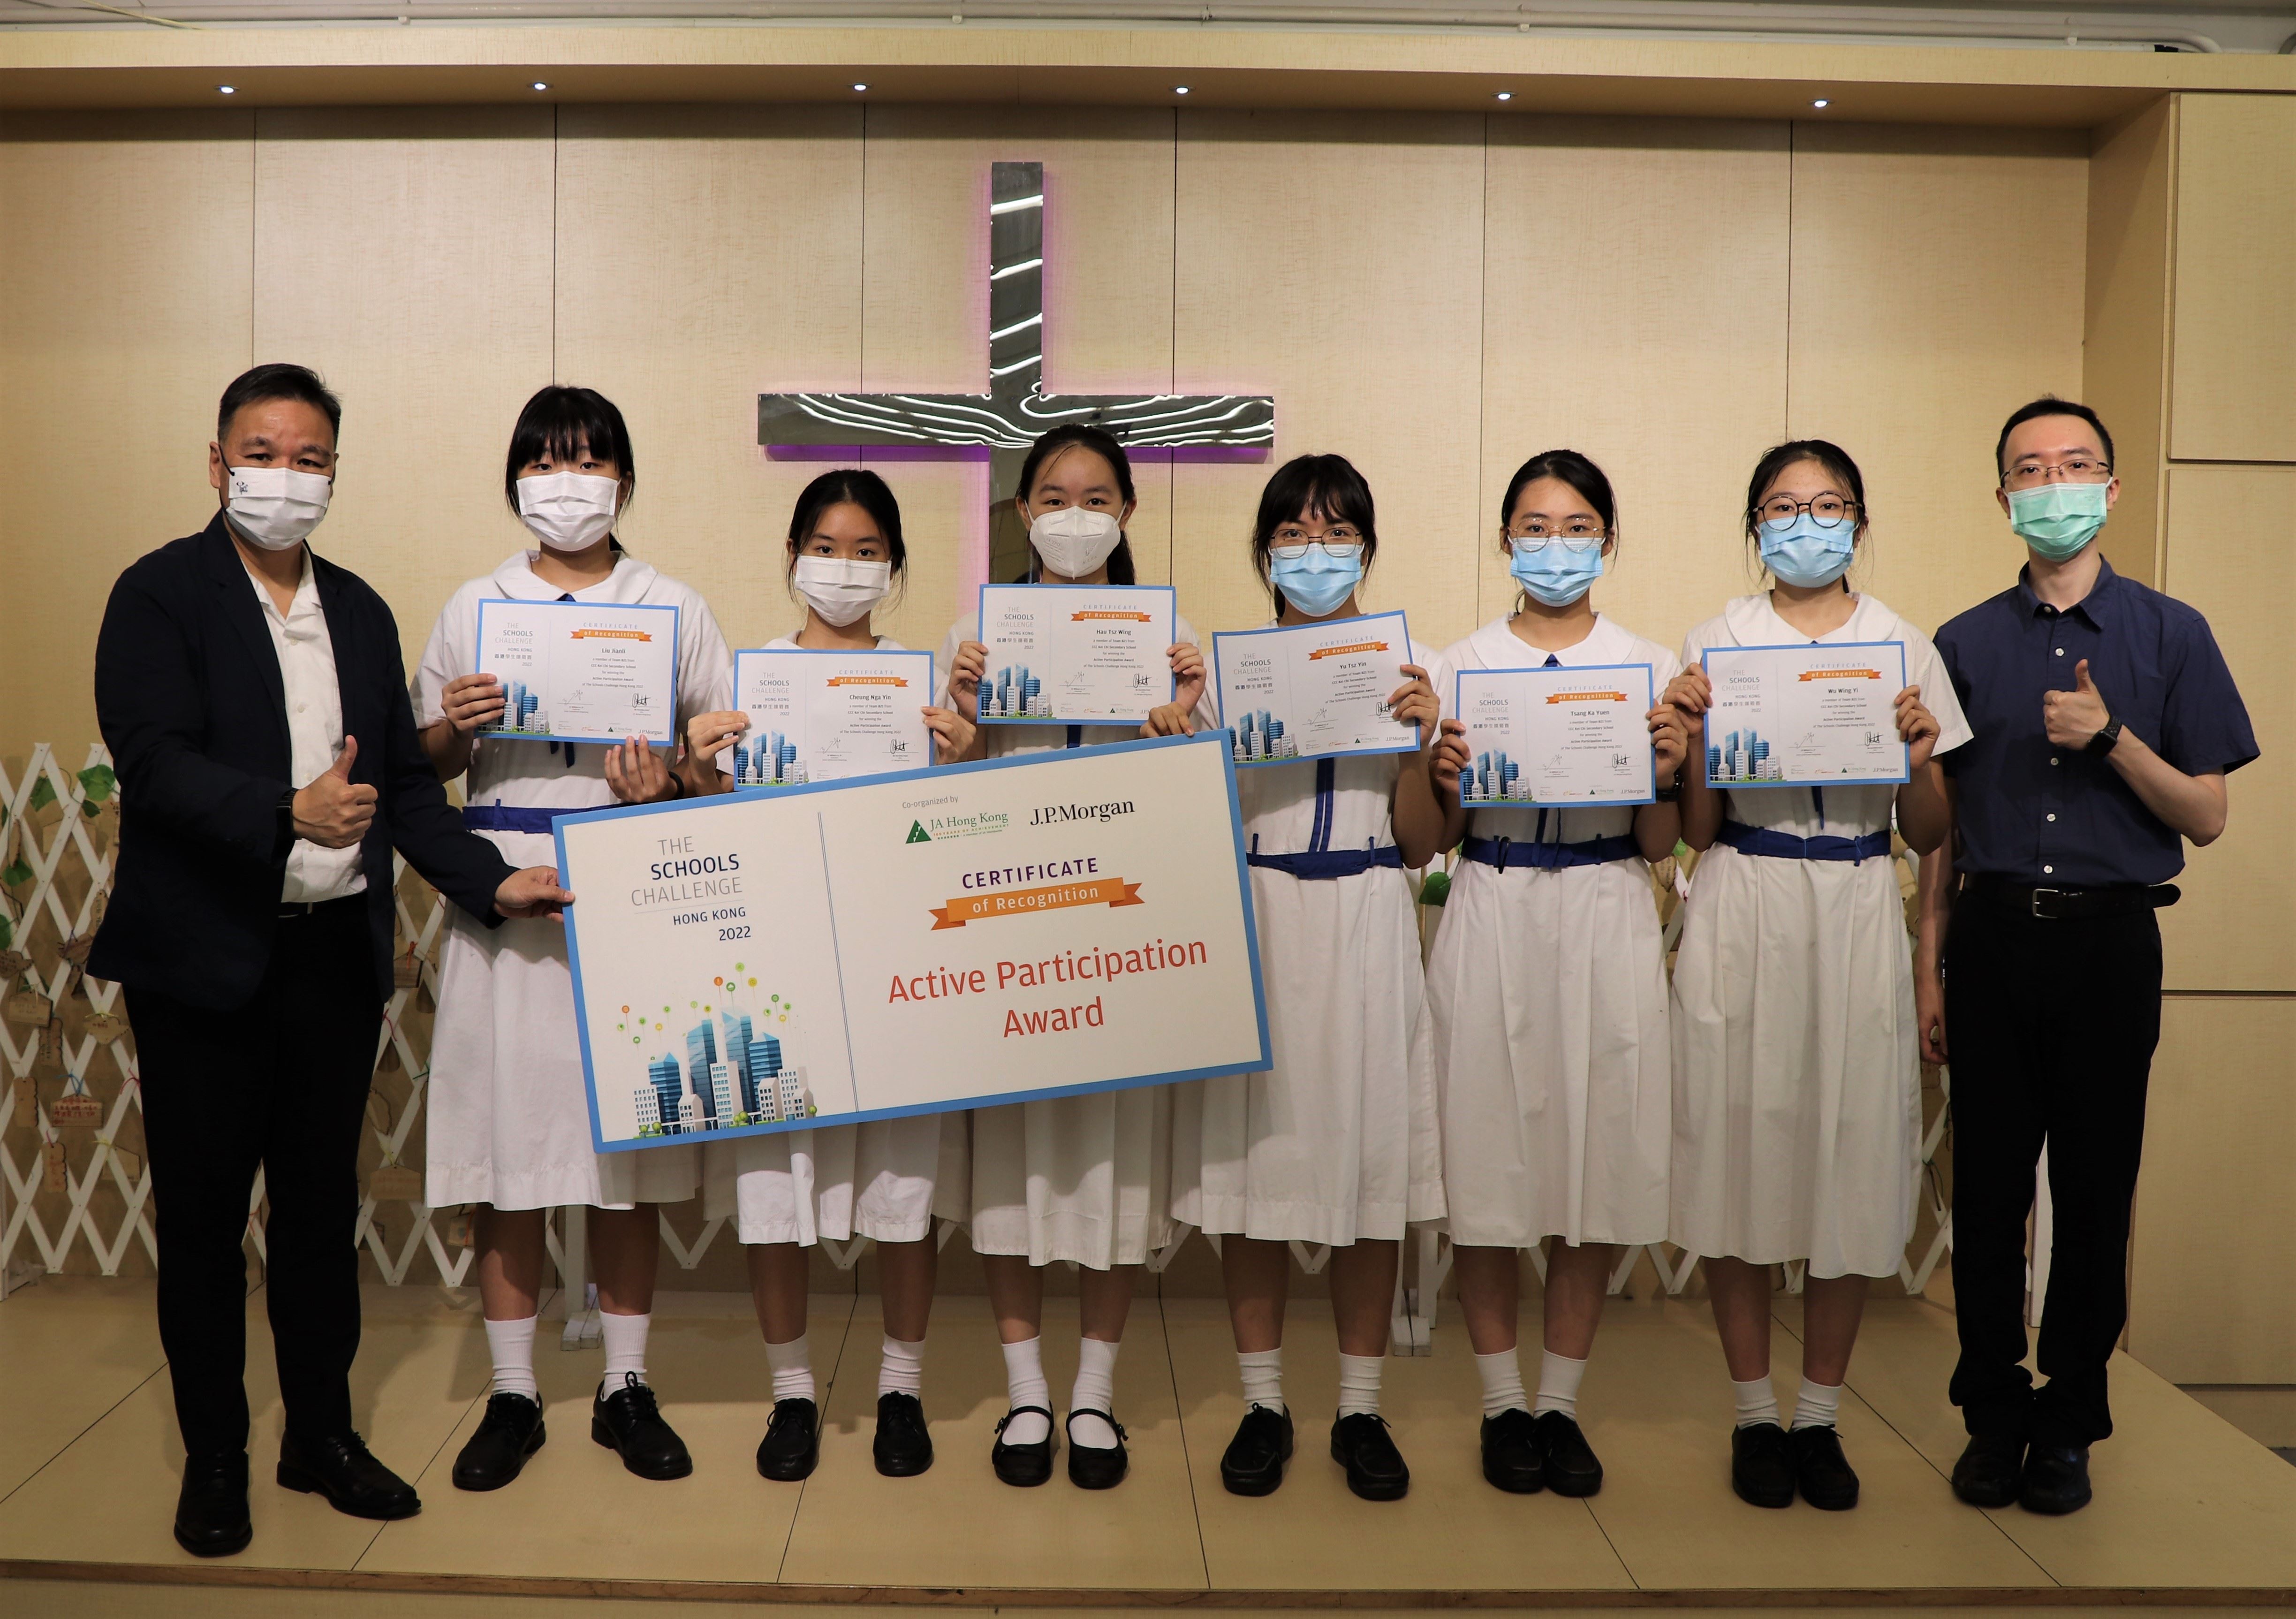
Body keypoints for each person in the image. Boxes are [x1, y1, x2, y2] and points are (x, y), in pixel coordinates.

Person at [90, 364, 572, 1558]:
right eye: (262, 454)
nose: (285, 478)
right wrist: (284, 811)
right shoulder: (159, 593)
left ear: (334, 474)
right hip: (203, 962)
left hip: (330, 964)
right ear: (217, 463)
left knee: (318, 1215)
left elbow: (404, 784)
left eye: (310, 460)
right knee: (204, 1221)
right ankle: (216, 1457)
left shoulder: (357, 608)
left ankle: (319, 1435)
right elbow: (152, 761)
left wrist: (492, 881)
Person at [1918, 397, 2254, 1517]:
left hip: (2112, 939)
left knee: (2096, 1190)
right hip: (1992, 933)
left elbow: (2206, 815)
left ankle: (2068, 1421)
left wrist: (2111, 739)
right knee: (1987, 1192)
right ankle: (1991, 1414)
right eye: (2030, 468)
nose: (2052, 483)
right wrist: (1928, 968)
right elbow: (1943, 835)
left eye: (2075, 464)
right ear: (2003, 496)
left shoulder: (2173, 633)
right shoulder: (1962, 643)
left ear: (2110, 489)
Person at [413, 385, 735, 1492]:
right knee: (511, 1149)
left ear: (625, 482)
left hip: (627, 888)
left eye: (591, 461)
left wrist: (669, 781)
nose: (569, 481)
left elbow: (719, 769)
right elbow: (426, 765)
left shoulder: (673, 606)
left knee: (622, 1155)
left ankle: (624, 1386)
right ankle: (513, 1392)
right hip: (502, 889)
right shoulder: (476, 606)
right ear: (516, 479)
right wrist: (453, 729)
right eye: (547, 461)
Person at [1666, 439, 1965, 1513]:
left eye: (1829, 504)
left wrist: (1920, 758)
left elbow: (1928, 829)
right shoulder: (1717, 640)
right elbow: (1698, 828)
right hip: (1744, 894)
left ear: (1859, 521)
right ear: (1755, 524)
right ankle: (1756, 1414)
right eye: (1784, 507)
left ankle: (1820, 1417)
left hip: (1854, 898)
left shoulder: (1904, 645)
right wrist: (1693, 739)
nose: (1807, 523)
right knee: (1737, 1147)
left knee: (1853, 1148)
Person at [1162, 454, 1446, 1503]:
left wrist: (1417, 745)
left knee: (1372, 1170)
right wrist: (1180, 735)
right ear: (1264, 549)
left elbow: (1420, 845)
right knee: (1257, 1170)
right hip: (1261, 918)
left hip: (1368, 915)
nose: (1314, 552)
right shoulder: (1222, 672)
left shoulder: (1413, 665)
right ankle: (1264, 1402)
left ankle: (1360, 1408)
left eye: (1336, 533)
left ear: (1367, 547)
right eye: (1293, 533)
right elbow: (1188, 829)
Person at [935, 424, 1214, 1490]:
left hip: (1124, 928)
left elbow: (1198, 804)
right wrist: (962, 720)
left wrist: (1183, 724)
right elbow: (944, 799)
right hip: (1014, 927)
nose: (1074, 516)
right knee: (1008, 1155)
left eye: (1097, 499)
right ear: (1022, 513)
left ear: (1128, 513)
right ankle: (1026, 1394)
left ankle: (1094, 1392)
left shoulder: (1171, 638)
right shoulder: (977, 633)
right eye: (1053, 497)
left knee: (1117, 1154)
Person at [689, 468, 976, 1484]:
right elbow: (714, 836)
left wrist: (961, 763)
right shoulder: (748, 683)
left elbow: (949, 840)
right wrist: (699, 768)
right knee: (775, 1177)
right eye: (824, 547)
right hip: (778, 956)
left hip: (893, 955)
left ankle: (901, 1388)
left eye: (866, 552)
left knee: (904, 1175)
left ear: (893, 566)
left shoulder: (921, 689)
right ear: (793, 554)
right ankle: (792, 1395)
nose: (843, 568)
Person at [1423, 449, 1686, 1499]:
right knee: (1486, 1156)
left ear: (1608, 542)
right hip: (1492, 903)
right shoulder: (1460, 665)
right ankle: (1502, 1404)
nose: (1556, 546)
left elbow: (1661, 844)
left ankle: (1562, 1404)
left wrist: (1667, 770)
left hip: (1607, 904)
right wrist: (1442, 777)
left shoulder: (1649, 666)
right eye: (1535, 527)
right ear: (1505, 541)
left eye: (1577, 528)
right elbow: (1435, 836)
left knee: (1596, 1157)